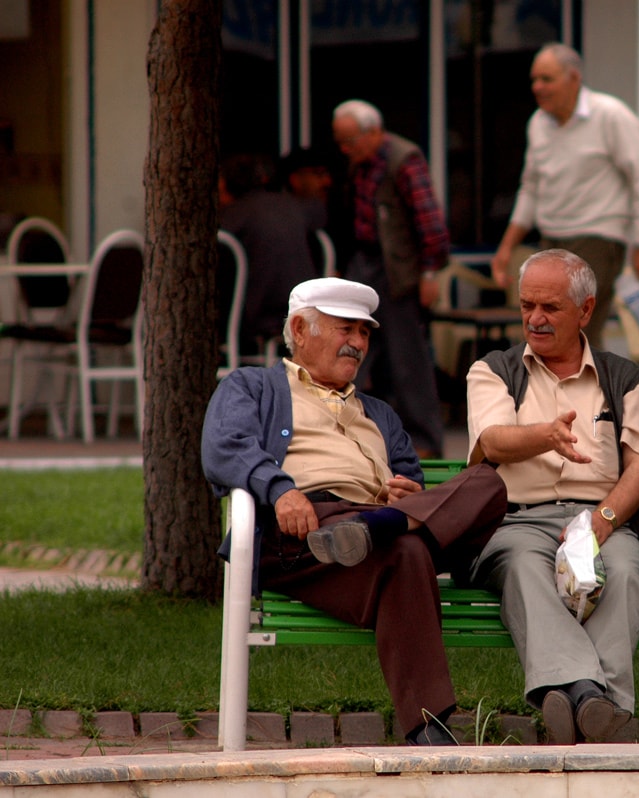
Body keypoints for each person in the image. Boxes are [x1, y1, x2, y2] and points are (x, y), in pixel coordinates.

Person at [201, 277, 508, 746]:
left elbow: (412, 477)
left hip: (371, 538)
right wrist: (281, 490)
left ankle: (379, 525)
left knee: (487, 481)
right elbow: (224, 447)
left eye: (364, 333)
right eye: (347, 330)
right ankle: (430, 730)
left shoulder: (380, 413)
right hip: (305, 536)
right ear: (300, 330)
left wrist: (407, 495)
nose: (359, 344)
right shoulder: (254, 386)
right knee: (407, 548)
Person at [466, 249, 639, 744]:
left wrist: (603, 520)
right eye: (527, 305)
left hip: (602, 520)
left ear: (586, 310)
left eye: (550, 307)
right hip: (516, 522)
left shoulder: (627, 379)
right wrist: (545, 435)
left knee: (624, 573)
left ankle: (578, 700)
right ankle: (595, 699)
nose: (535, 318)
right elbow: (491, 441)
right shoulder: (493, 370)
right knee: (523, 569)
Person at [490, 43, 639, 349]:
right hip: (551, 241)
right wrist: (506, 248)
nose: (537, 87)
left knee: (576, 335)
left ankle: (589, 395)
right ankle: (551, 396)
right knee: (543, 332)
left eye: (546, 79)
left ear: (574, 79)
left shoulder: (610, 115)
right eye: (534, 80)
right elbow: (530, 188)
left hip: (597, 238)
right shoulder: (538, 124)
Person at [332, 99, 449, 458]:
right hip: (363, 263)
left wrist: (430, 272)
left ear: (373, 132)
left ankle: (426, 440)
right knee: (350, 349)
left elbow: (430, 224)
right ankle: (343, 433)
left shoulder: (403, 159)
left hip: (397, 271)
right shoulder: (359, 164)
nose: (345, 149)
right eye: (341, 142)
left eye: (350, 141)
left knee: (407, 357)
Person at [219, 154, 324, 355]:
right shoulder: (292, 206)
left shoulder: (233, 216)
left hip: (257, 315)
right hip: (303, 307)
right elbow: (320, 214)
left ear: (226, 185)